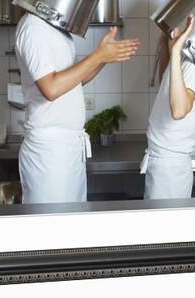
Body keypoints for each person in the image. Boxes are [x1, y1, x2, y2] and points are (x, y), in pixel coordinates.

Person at [15, 13, 139, 204]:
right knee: (50, 227)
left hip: (69, 151)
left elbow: (76, 80)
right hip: (49, 154)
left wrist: (103, 58)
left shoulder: (57, 28)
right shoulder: (33, 26)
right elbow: (51, 88)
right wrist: (98, 55)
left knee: (71, 228)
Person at [140, 14, 195, 199]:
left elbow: (179, 110)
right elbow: (167, 80)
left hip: (170, 170)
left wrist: (176, 50)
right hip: (162, 164)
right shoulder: (183, 61)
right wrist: (166, 44)